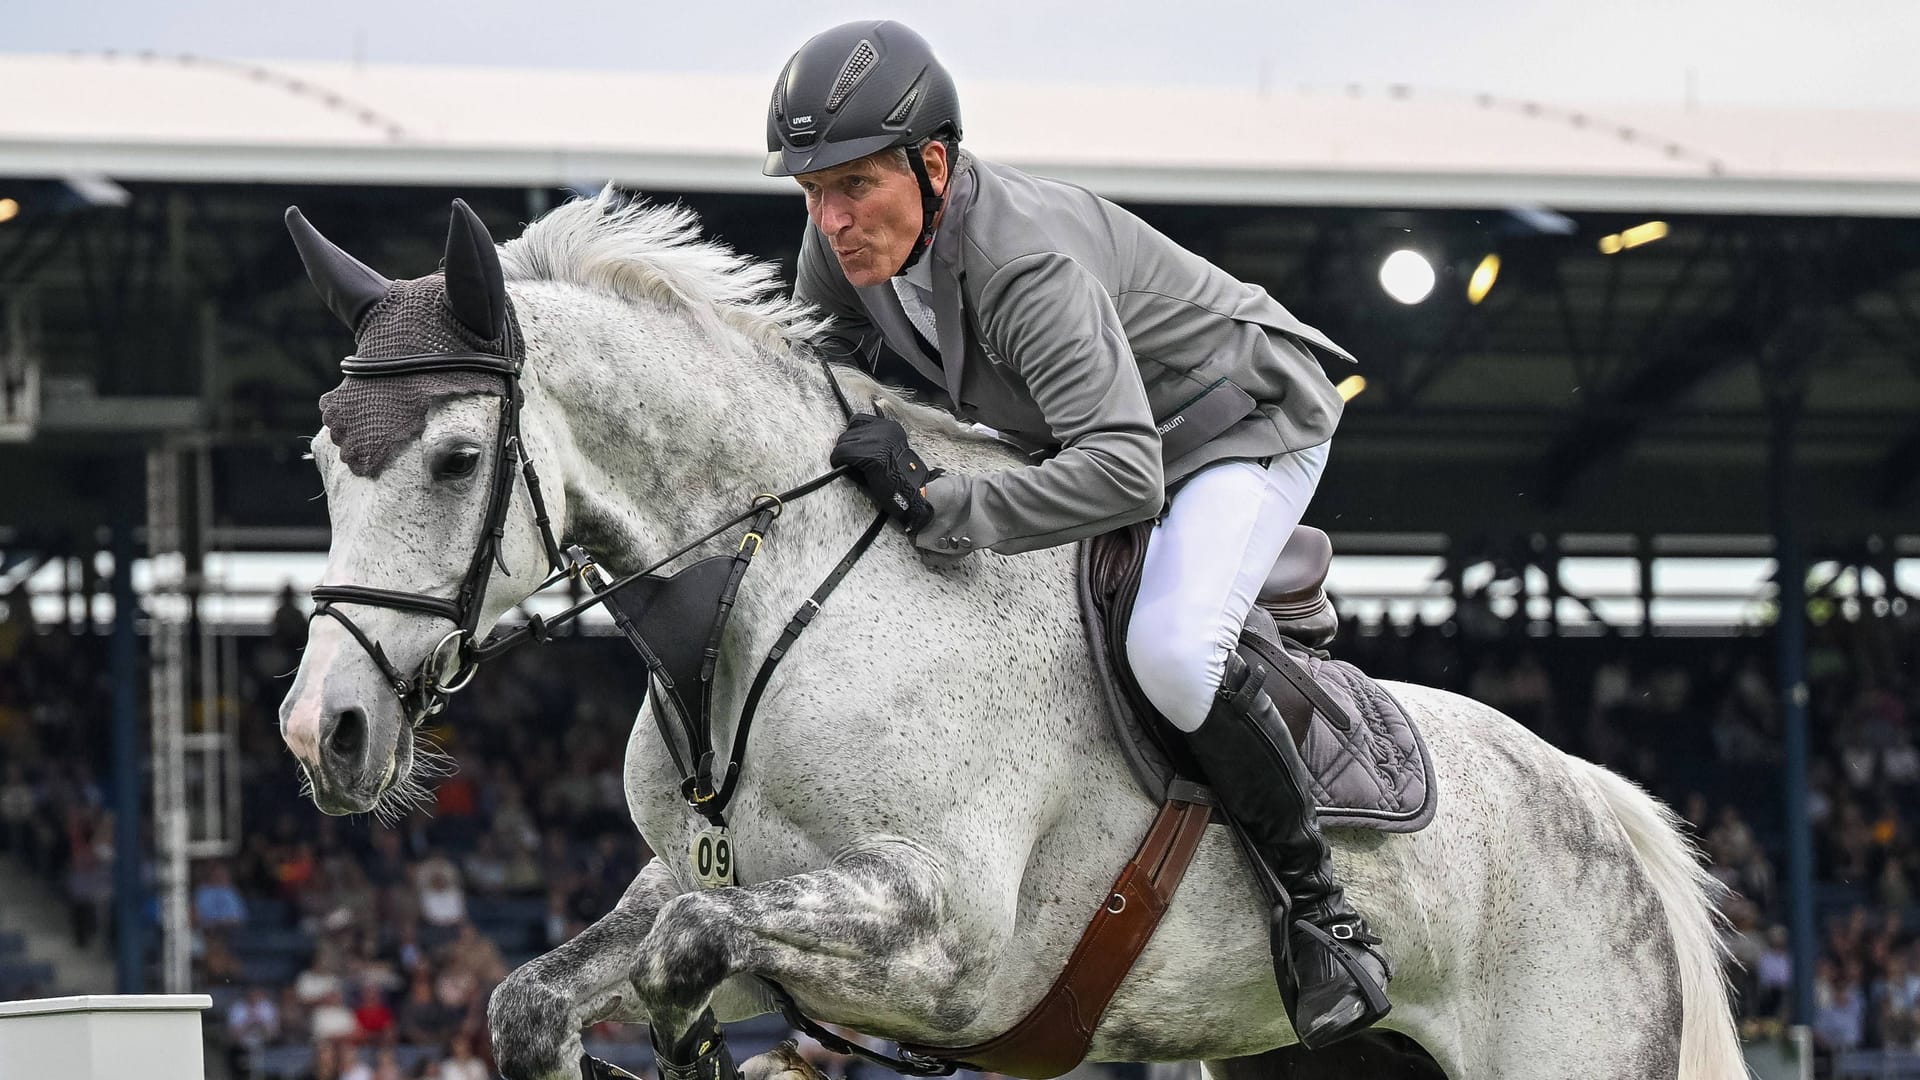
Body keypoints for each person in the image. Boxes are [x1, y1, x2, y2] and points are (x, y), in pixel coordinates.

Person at [767, 20, 1386, 1048]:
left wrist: (944, 506)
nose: (831, 218)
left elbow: (1125, 470)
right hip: (1103, 432)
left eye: (855, 186)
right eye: (813, 190)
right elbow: (812, 391)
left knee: (1175, 654)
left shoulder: (1021, 263)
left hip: (1238, 423)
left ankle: (1322, 914)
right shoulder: (848, 241)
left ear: (932, 163)